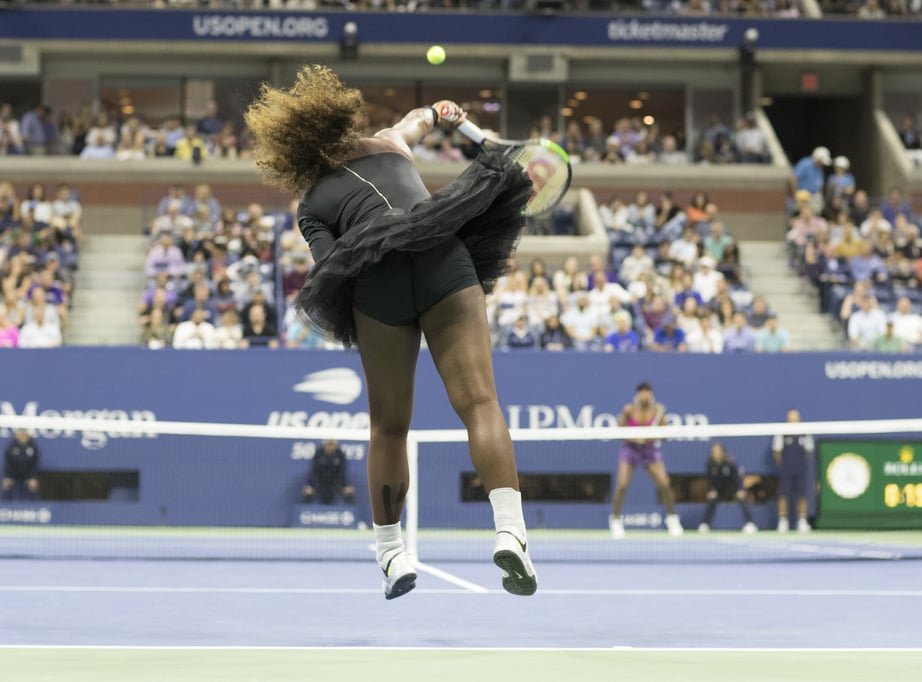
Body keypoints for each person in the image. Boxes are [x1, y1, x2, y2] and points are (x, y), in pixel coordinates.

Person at [244, 66, 536, 599]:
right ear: (337, 120)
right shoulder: (386, 141)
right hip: (442, 260)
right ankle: (511, 531)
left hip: (377, 289)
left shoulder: (310, 206)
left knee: (388, 427)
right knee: (479, 403)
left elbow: (335, 268)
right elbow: (414, 121)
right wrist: (441, 113)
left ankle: (391, 552)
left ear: (294, 153)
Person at [608, 382, 684, 539]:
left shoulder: (657, 411)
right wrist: (636, 438)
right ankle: (615, 520)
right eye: (642, 392)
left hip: (649, 451)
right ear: (637, 394)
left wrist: (652, 437)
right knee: (622, 485)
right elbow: (619, 430)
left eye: (647, 392)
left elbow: (665, 435)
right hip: (629, 450)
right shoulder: (629, 410)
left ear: (651, 394)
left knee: (664, 483)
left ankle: (672, 519)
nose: (645, 395)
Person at [697, 442, 757, 534]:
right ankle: (705, 524)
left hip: (732, 489)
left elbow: (737, 478)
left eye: (718, 450)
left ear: (722, 452)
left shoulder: (730, 463)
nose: (716, 453)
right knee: (711, 500)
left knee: (742, 499)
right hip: (718, 490)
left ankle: (750, 524)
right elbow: (709, 480)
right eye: (714, 451)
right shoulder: (709, 464)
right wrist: (712, 490)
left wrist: (740, 490)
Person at [772, 409, 815, 533]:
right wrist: (785, 465)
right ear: (787, 419)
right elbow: (777, 452)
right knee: (783, 495)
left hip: (800, 470)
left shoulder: (805, 433)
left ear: (799, 419)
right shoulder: (781, 433)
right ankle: (783, 522)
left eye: (795, 418)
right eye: (791, 418)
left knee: (802, 495)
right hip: (786, 471)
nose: (793, 421)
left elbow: (808, 451)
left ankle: (802, 521)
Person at [302, 439, 356, 505]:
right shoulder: (318, 454)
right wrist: (310, 485)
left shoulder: (340, 455)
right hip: (320, 484)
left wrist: (345, 486)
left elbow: (343, 473)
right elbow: (314, 472)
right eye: (329, 444)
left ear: (336, 445)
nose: (330, 446)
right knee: (308, 491)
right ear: (324, 445)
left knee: (348, 492)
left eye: (332, 444)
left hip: (336, 484)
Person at [2, 429, 40, 501]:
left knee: (33, 487)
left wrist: (33, 477)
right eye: (21, 434)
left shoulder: (33, 448)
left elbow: (34, 465)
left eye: (24, 434)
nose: (22, 436)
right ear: (17, 435)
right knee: (6, 487)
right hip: (13, 474)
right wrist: (8, 476)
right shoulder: (11, 447)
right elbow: (8, 463)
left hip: (28, 475)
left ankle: (37, 509)